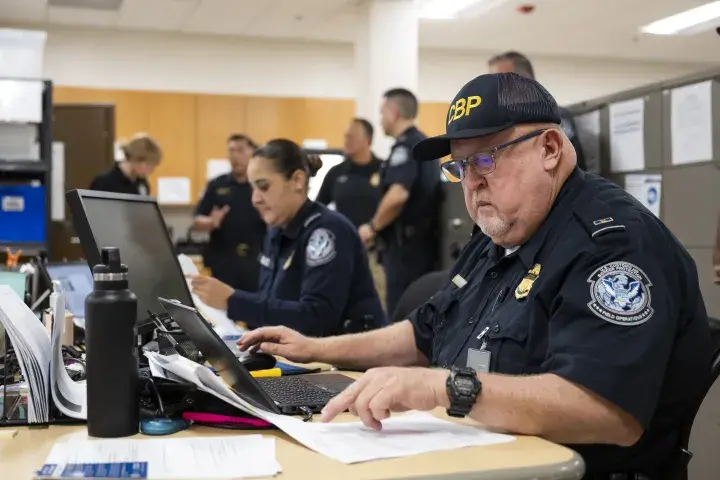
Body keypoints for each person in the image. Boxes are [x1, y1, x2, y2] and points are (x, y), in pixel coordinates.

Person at [237, 73, 713, 479]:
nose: (471, 181)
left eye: (486, 158)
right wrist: (316, 347)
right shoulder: (500, 232)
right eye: (460, 166)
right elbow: (423, 332)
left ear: (549, 148)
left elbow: (607, 413)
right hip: (479, 451)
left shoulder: (611, 242)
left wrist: (441, 387)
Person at [188, 139, 386, 337]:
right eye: (252, 188)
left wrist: (232, 301)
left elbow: (317, 319)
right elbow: (272, 302)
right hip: (301, 353)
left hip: (347, 359)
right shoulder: (277, 229)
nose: (254, 199)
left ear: (297, 181)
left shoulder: (327, 232)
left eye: (263, 186)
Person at [358, 88, 442, 317]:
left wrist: (372, 228)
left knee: (400, 317)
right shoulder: (420, 143)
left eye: (382, 112)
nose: (380, 119)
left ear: (394, 112)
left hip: (407, 251)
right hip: (417, 250)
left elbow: (398, 195)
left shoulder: (408, 146)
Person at [488, 51, 589, 172]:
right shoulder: (500, 122)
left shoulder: (554, 117)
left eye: (501, 80)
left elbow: (568, 167)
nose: (494, 89)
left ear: (526, 81)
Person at [193, 134, 267, 292]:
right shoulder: (217, 184)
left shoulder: (262, 184)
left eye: (240, 150)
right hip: (223, 261)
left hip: (256, 260)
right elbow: (197, 220)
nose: (234, 155)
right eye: (231, 150)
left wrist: (268, 216)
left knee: (254, 310)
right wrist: (210, 223)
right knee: (220, 311)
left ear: (253, 154)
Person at [316, 118, 382, 228]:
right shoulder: (336, 172)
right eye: (346, 136)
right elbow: (318, 207)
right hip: (345, 239)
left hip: (377, 240)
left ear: (367, 140)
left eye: (352, 137)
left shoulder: (383, 169)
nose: (346, 141)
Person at [89, 133, 161, 195]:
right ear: (137, 159)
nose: (151, 170)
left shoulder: (142, 183)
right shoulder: (104, 182)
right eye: (150, 165)